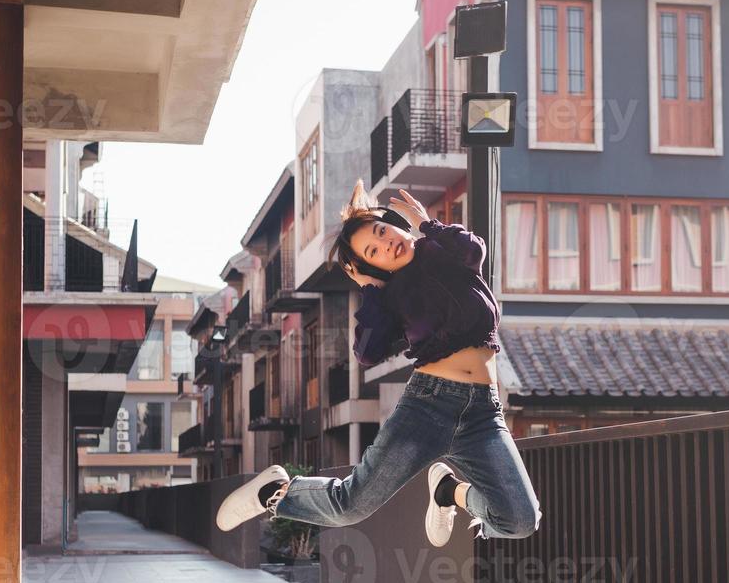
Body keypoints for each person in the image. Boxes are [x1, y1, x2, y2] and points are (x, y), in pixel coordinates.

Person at [215, 181, 541, 547]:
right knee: (351, 504)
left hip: (484, 412)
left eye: (383, 231)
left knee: (519, 519)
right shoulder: (390, 297)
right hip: (429, 408)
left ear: (395, 224)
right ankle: (274, 492)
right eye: (374, 250)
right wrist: (371, 289)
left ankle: (449, 491)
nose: (387, 244)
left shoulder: (445, 252)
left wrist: (426, 224)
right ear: (373, 265)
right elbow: (367, 352)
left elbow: (472, 248)